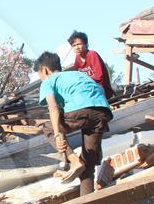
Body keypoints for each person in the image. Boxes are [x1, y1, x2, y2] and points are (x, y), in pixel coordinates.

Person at [34, 51, 112, 195]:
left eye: (40, 75)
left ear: (45, 70)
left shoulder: (49, 81)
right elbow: (99, 89)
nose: (41, 79)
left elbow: (53, 108)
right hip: (102, 111)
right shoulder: (77, 75)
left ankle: (74, 160)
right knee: (87, 165)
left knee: (48, 126)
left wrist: (58, 136)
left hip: (81, 110)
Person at [67, 31, 114, 99]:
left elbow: (99, 77)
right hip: (87, 89)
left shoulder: (92, 54)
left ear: (86, 44)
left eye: (79, 44)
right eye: (74, 45)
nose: (77, 47)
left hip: (101, 88)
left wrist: (84, 84)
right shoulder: (77, 59)